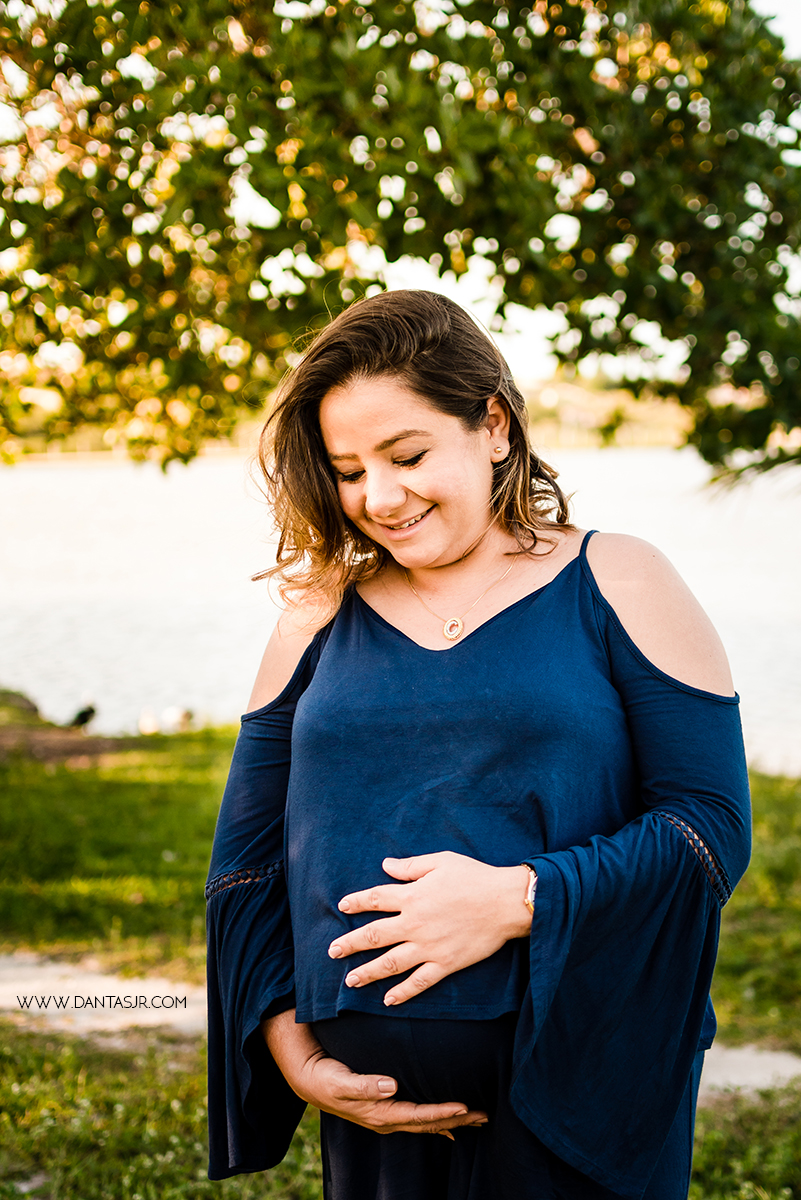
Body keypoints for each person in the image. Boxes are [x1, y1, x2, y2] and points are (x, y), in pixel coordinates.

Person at [204, 289, 751, 1200]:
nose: (379, 496)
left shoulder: (618, 578)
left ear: (492, 426)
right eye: (347, 470)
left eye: (407, 454)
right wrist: (292, 1047)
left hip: (583, 1095)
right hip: (378, 1134)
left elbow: (706, 829)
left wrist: (518, 900)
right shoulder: (316, 617)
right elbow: (244, 867)